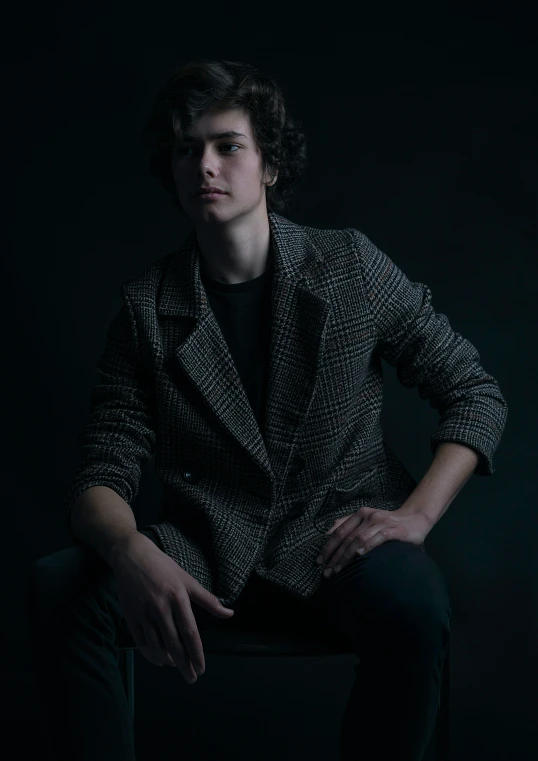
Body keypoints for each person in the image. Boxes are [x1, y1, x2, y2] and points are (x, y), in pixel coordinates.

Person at [26, 59, 508, 761]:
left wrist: (417, 515)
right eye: (187, 149)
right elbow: (104, 466)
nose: (205, 166)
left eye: (228, 145)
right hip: (206, 550)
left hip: (340, 540)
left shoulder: (351, 268)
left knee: (416, 601)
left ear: (271, 165)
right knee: (59, 586)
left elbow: (474, 391)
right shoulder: (145, 308)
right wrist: (130, 549)